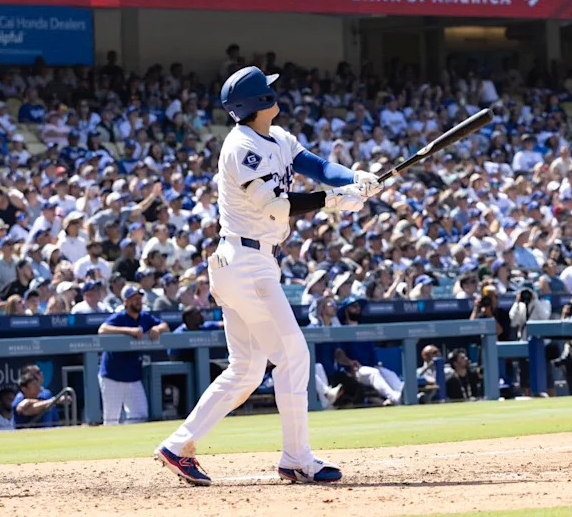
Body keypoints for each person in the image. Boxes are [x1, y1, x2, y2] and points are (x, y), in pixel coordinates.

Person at [155, 66, 379, 486]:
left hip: (246, 263)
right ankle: (297, 458)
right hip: (246, 262)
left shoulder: (278, 137)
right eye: (269, 91)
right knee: (293, 355)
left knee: (246, 369)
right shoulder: (241, 146)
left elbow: (315, 164)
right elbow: (275, 206)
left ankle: (177, 445)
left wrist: (355, 178)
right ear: (256, 103)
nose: (276, 94)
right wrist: (334, 202)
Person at [97, 285, 170, 425]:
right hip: (112, 375)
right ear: (126, 301)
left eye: (139, 298)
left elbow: (165, 325)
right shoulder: (120, 316)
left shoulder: (145, 317)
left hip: (133, 376)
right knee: (111, 418)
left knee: (140, 415)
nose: (138, 301)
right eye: (134, 299)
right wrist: (129, 331)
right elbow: (103, 329)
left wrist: (157, 328)